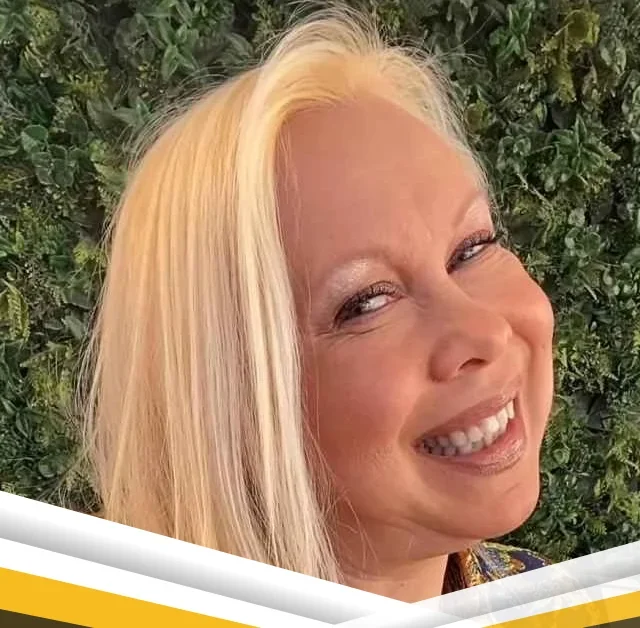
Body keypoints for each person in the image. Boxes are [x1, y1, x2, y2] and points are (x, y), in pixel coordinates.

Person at [79, 5, 555, 602]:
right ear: (229, 404)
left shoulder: (542, 594)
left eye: (472, 248)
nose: (484, 331)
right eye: (367, 302)